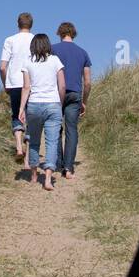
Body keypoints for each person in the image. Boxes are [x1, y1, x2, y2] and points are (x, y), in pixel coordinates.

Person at [18, 33, 65, 191]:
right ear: (47, 45)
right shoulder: (55, 60)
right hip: (53, 104)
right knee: (52, 142)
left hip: (34, 105)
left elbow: (26, 87)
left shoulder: (27, 62)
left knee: (34, 140)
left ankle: (33, 175)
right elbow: (62, 86)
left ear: (33, 46)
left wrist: (21, 109)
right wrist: (60, 103)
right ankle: (48, 179)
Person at [51, 22, 92, 177]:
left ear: (59, 33)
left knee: (55, 127)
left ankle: (57, 163)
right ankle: (68, 168)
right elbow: (87, 82)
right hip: (75, 94)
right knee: (71, 130)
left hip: (55, 93)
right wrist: (84, 101)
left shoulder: (52, 50)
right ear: (73, 33)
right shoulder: (83, 53)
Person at [0, 12, 34, 161]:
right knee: (31, 117)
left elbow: (2, 67)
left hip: (13, 83)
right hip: (32, 83)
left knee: (16, 115)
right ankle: (28, 159)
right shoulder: (36, 40)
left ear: (18, 24)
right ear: (31, 24)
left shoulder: (9, 40)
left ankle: (19, 147)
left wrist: (5, 84)